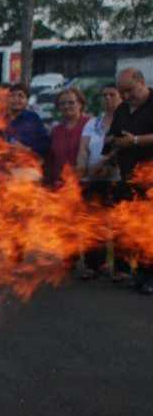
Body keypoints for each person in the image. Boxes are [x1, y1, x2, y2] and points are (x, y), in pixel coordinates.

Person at [104, 68, 153, 294]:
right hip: (128, 179)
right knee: (133, 230)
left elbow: (133, 141)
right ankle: (140, 274)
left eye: (129, 91)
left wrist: (135, 141)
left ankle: (150, 277)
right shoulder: (123, 109)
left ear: (142, 82)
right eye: (122, 92)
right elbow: (114, 138)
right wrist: (113, 145)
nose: (125, 96)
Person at [76, 85, 122, 279]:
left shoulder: (126, 122)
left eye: (112, 95)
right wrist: (82, 168)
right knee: (93, 224)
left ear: (121, 98)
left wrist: (107, 166)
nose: (107, 99)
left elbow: (121, 149)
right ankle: (94, 264)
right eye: (104, 95)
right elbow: (84, 148)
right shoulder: (93, 122)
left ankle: (121, 269)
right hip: (92, 179)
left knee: (119, 226)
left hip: (116, 179)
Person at [47, 87, 89, 187]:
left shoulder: (90, 125)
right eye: (62, 103)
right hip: (61, 186)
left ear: (80, 104)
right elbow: (52, 160)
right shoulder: (56, 131)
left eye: (71, 102)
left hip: (85, 184)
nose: (66, 106)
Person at [5, 83, 49, 157]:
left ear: (27, 100)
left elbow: (44, 144)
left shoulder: (33, 118)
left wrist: (27, 149)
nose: (16, 99)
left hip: (26, 163)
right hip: (2, 164)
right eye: (12, 96)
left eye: (20, 96)